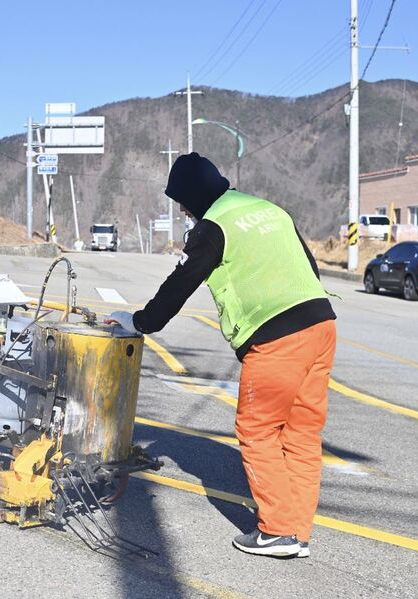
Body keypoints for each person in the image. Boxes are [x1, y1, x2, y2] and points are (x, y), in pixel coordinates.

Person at [107, 153, 336, 558]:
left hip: (274, 337)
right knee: (301, 433)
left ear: (193, 196)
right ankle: (298, 531)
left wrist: (140, 322)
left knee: (257, 430)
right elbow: (308, 265)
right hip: (320, 325)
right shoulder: (269, 210)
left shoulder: (214, 227)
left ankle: (278, 531)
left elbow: (180, 284)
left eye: (181, 201)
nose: (181, 209)